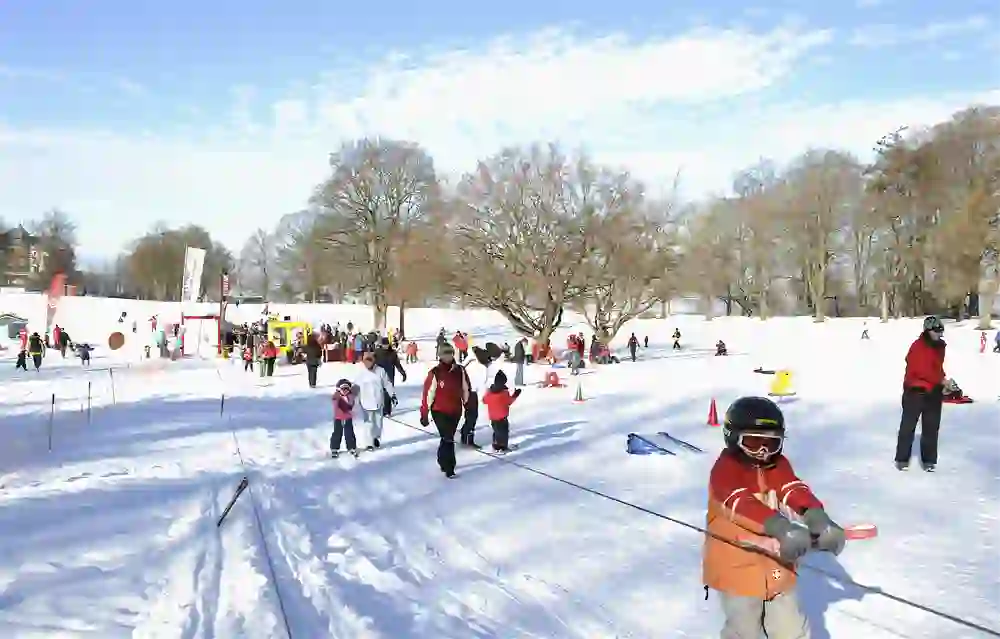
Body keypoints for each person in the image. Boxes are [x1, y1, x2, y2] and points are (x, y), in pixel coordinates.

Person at [704, 396, 846, 639]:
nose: (763, 451)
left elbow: (791, 488)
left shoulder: (776, 465)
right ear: (733, 438)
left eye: (771, 443)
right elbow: (740, 503)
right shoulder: (725, 470)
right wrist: (779, 527)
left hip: (778, 564)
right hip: (737, 567)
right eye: (753, 442)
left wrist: (814, 515)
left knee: (790, 629)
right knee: (744, 630)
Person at [895, 316, 946, 472]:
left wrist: (944, 380)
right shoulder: (918, 347)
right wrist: (941, 380)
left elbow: (936, 368)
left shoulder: (939, 347)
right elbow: (921, 371)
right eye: (936, 331)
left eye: (941, 331)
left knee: (931, 427)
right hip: (915, 391)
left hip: (933, 391)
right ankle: (902, 459)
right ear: (927, 331)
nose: (939, 334)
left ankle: (929, 460)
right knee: (908, 426)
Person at [419, 343, 469, 478]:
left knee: (447, 437)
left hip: (455, 410)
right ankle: (449, 467)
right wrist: (424, 413)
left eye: (450, 353)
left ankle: (442, 459)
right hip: (439, 411)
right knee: (448, 437)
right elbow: (428, 394)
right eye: (445, 354)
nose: (448, 356)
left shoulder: (460, 370)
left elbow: (465, 389)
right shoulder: (435, 372)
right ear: (440, 356)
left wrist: (467, 405)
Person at [355, 351, 396, 451]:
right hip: (365, 402)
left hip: (378, 400)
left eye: (370, 362)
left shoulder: (380, 371)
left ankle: (376, 437)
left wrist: (393, 395)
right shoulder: (361, 372)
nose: (368, 365)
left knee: (378, 422)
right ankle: (369, 443)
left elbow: (387, 384)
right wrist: (352, 398)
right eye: (366, 362)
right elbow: (356, 387)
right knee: (368, 423)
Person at [482, 370, 521, 452]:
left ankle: (496, 445)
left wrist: (488, 393)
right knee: (504, 432)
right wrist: (515, 395)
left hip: (493, 417)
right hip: (502, 417)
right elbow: (509, 402)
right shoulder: (504, 393)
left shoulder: (490, 391)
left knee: (496, 432)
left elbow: (484, 400)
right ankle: (503, 447)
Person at [330, 378, 358, 458]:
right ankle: (334, 448)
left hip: (348, 418)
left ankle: (351, 447)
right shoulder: (337, 397)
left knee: (349, 433)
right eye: (343, 389)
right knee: (337, 433)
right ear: (339, 389)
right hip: (338, 418)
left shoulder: (350, 396)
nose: (345, 391)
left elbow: (351, 404)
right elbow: (337, 405)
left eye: (347, 389)